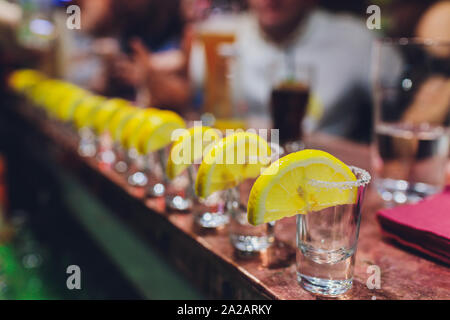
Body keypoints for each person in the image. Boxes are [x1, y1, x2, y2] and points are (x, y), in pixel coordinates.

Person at [191, 0, 378, 142]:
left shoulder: (355, 39)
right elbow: (183, 91)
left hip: (321, 171)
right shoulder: (217, 34)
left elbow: (402, 92)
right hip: (240, 164)